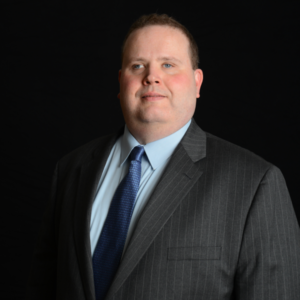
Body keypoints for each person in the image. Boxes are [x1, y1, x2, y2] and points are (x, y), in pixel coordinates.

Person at [26, 13, 300, 300]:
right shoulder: (71, 170)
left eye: (168, 65)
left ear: (197, 83)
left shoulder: (254, 184)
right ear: (121, 83)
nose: (152, 76)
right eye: (137, 65)